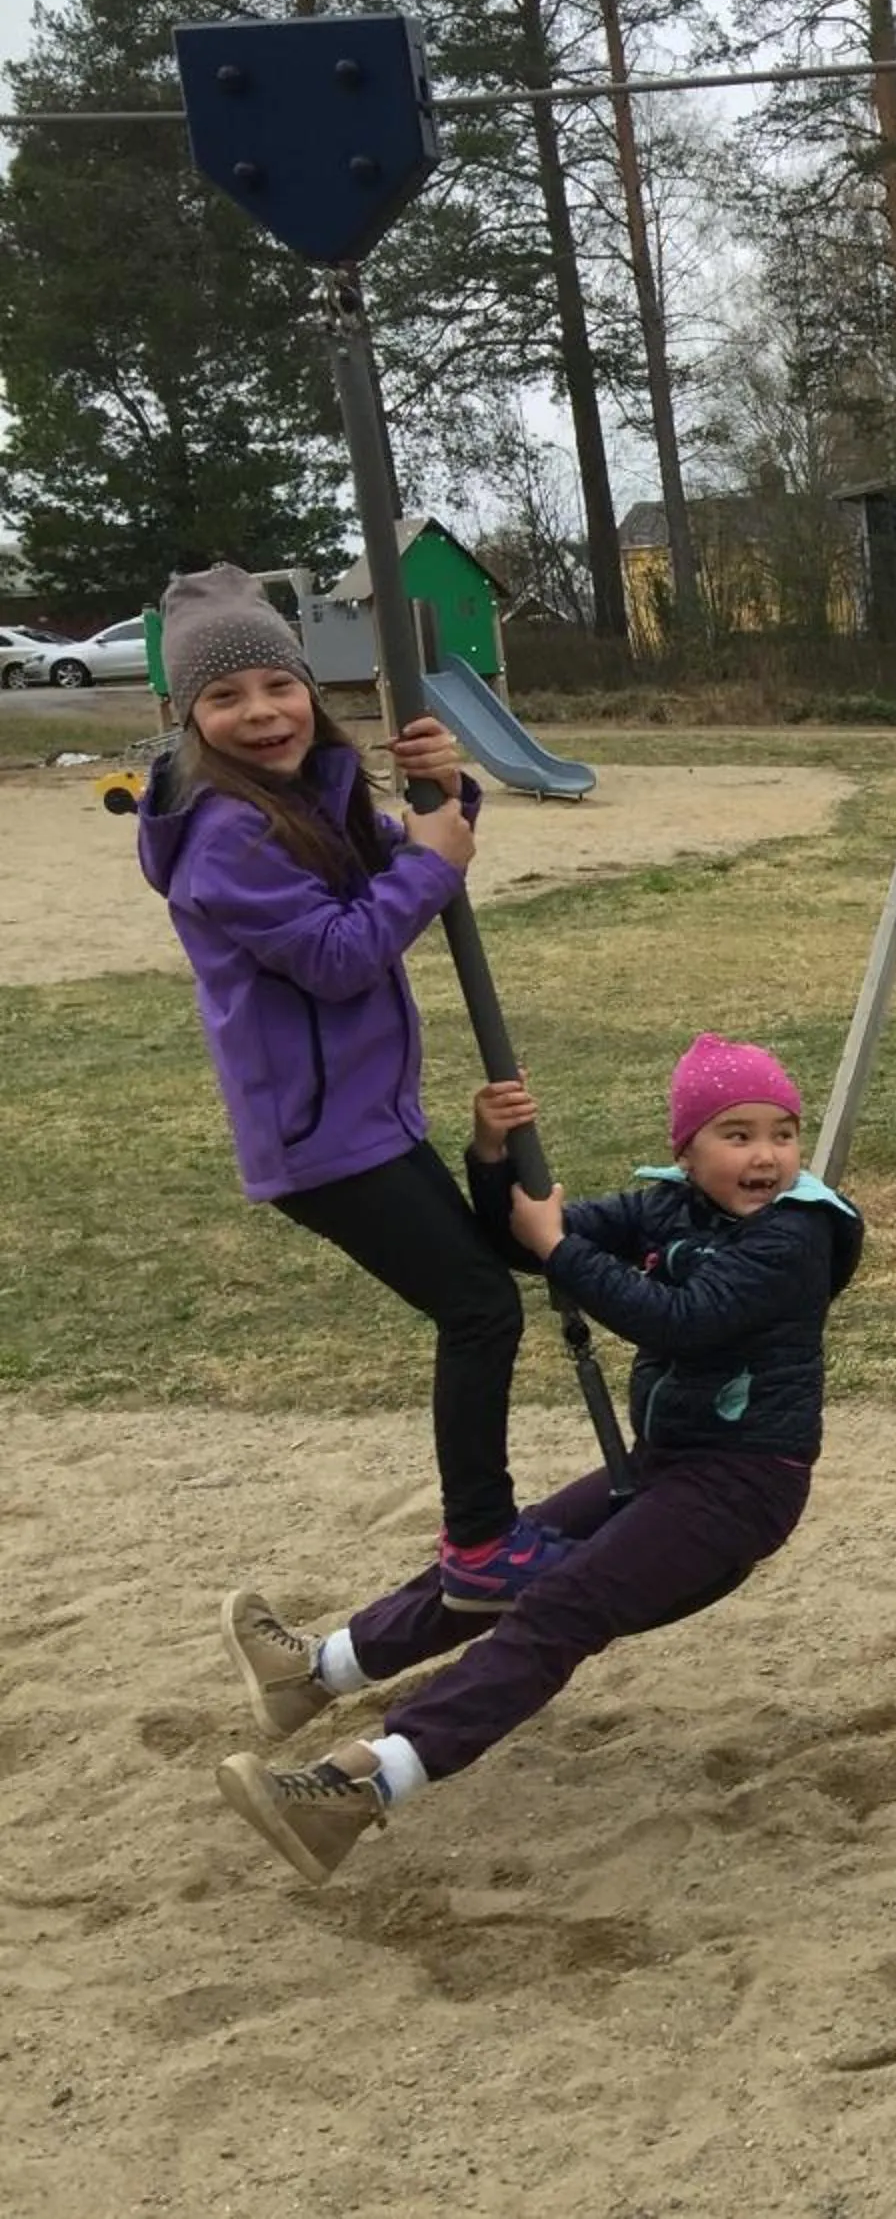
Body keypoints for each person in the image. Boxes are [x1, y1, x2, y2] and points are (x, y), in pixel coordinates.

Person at [212, 1035, 865, 1883]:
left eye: (781, 1133)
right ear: (687, 1149)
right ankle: (321, 1670)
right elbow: (523, 1235)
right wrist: (492, 1153)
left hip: (743, 1485)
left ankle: (366, 1787)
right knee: (498, 1564)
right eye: (736, 1135)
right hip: (669, 1461)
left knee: (557, 1607)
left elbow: (682, 1320)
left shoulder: (799, 1235)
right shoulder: (664, 1208)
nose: (766, 1156)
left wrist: (563, 1250)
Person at [136, 561, 556, 1611]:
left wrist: (443, 785)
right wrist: (434, 862)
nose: (261, 713)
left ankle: (482, 1540)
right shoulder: (221, 837)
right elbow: (336, 954)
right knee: (478, 1309)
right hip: (318, 1139)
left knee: (487, 1287)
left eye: (276, 686)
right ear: (187, 716)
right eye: (224, 698)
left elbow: (411, 847)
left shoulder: (305, 791)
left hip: (365, 1113)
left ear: (307, 688)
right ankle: (479, 1547)